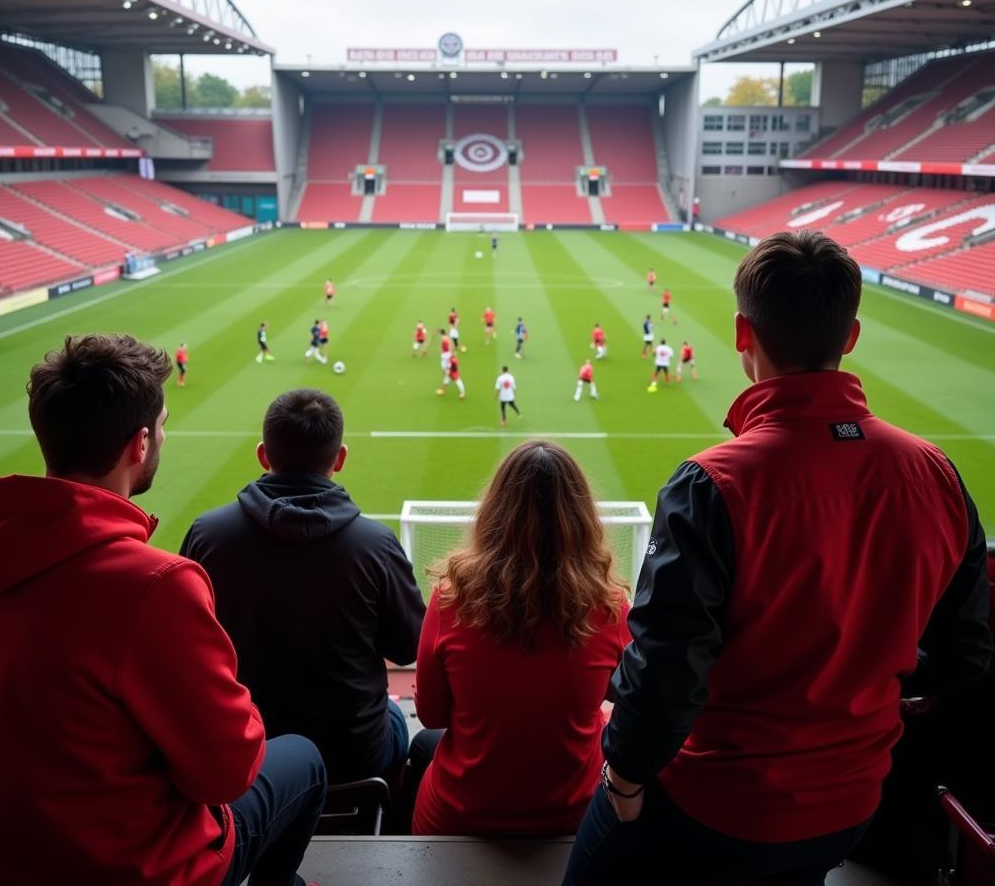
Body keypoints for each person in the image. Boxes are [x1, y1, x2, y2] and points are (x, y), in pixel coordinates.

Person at [564, 231, 991, 886]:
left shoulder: (713, 483)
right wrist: (868, 690)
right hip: (851, 805)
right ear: (850, 336)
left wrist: (622, 779)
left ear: (742, 333)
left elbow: (666, 668)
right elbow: (965, 651)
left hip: (717, 803)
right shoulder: (935, 473)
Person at [0, 334, 327, 886]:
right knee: (303, 758)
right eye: (162, 424)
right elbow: (228, 771)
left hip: (0, 854)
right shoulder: (155, 586)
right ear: (140, 444)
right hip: (134, 867)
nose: (163, 435)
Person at [182, 388, 424, 785]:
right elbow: (406, 647)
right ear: (340, 458)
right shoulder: (376, 545)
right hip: (352, 754)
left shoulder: (207, 535)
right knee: (395, 716)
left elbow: (190, 644)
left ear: (263, 454)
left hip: (245, 748)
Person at [411, 441, 631, 836]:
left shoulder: (449, 600)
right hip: (575, 818)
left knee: (421, 745)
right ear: (581, 517)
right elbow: (628, 698)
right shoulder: (611, 606)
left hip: (459, 816)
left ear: (495, 512)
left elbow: (431, 716)